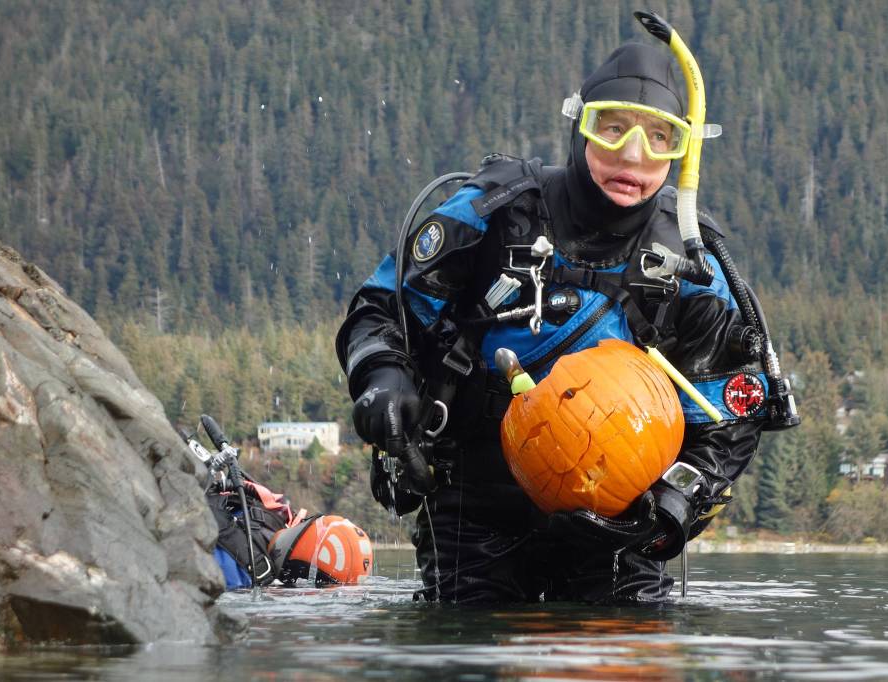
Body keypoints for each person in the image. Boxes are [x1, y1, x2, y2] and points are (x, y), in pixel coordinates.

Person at [337, 20, 795, 603]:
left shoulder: (691, 269)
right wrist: (381, 378)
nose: (633, 154)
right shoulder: (491, 213)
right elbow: (381, 308)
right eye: (612, 129)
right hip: (474, 512)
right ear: (579, 127)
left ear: (686, 151)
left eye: (660, 138)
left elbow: (732, 414)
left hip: (617, 528)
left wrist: (673, 507)